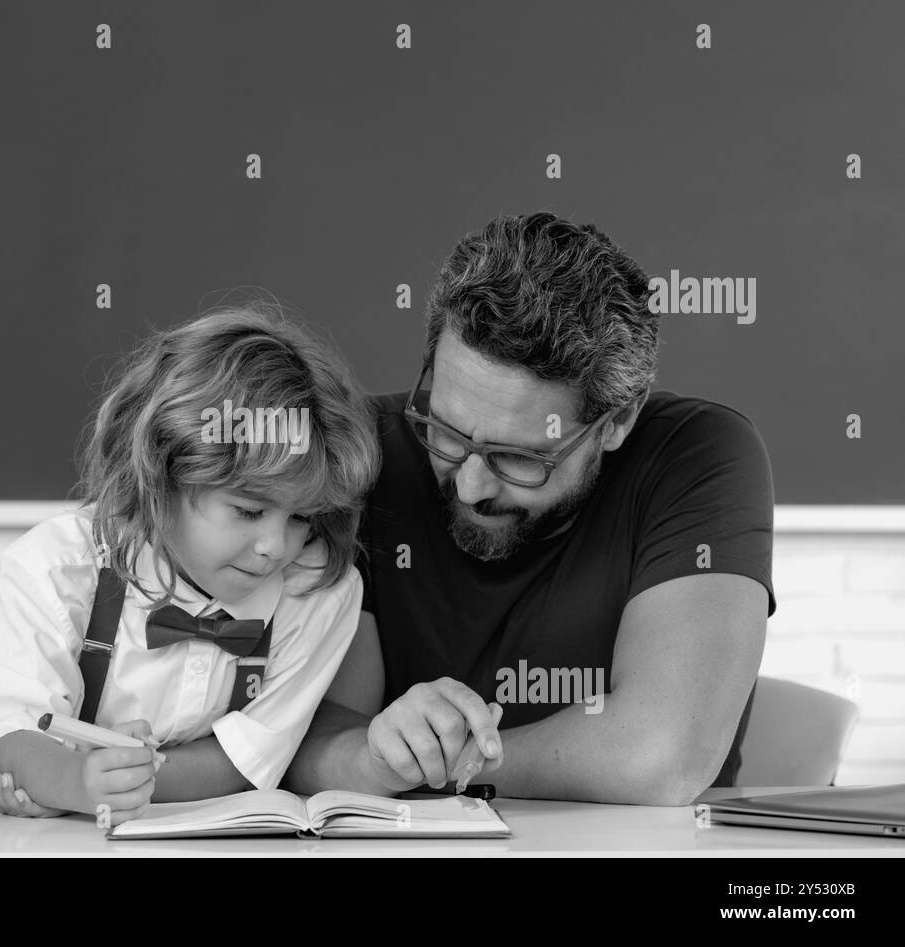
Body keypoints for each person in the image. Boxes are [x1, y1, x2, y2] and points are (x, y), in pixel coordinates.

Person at [286, 211, 776, 806]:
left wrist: (428, 765)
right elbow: (296, 739)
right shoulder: (361, 450)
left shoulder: (699, 454)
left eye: (519, 457)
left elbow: (660, 759)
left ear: (617, 419)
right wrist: (370, 756)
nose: (470, 486)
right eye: (444, 430)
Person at [0, 305, 380, 824]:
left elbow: (244, 764)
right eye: (248, 510)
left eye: (302, 517)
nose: (275, 546)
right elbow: (3, 741)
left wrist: (116, 782)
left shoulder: (315, 590)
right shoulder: (52, 570)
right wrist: (74, 780)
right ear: (162, 474)